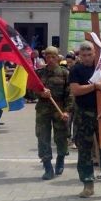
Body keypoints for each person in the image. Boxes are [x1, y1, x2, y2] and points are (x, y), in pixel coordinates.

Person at [69, 41, 101, 200]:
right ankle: (88, 185)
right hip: (83, 115)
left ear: (94, 54)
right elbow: (75, 90)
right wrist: (94, 86)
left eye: (90, 55)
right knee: (84, 151)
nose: (87, 58)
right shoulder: (76, 69)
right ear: (79, 56)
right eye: (84, 55)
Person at [33, 47, 70, 180]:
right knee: (43, 137)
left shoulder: (64, 73)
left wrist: (67, 111)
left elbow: (70, 94)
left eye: (53, 56)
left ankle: (60, 158)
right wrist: (40, 93)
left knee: (61, 136)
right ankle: (47, 166)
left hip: (59, 110)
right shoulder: (39, 73)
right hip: (43, 110)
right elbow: (31, 91)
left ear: (58, 58)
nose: (50, 59)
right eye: (48, 56)